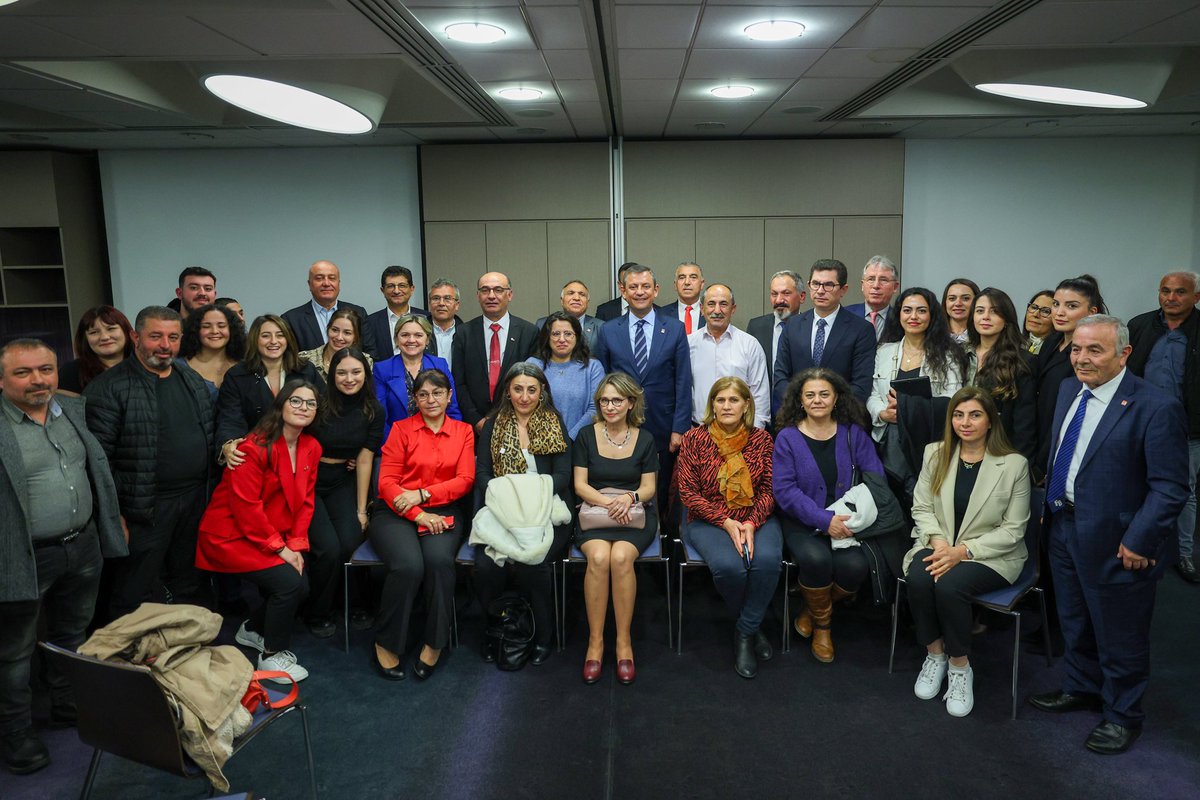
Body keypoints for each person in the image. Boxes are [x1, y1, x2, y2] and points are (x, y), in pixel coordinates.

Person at [1029, 315, 1188, 754]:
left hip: (1120, 542)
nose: (1082, 359)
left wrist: (1141, 538)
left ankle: (1122, 715)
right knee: (1075, 619)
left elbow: (1170, 487)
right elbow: (1065, 452)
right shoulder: (1067, 391)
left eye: (1094, 350)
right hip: (1064, 527)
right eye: (1077, 349)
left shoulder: (1156, 406)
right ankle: (1082, 687)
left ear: (1124, 354)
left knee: (1121, 632)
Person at [0, 339, 125, 775]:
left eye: (46, 369)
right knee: (13, 653)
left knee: (73, 634)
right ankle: (16, 733)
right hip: (21, 556)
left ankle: (66, 705)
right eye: (23, 372)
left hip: (82, 545)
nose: (38, 379)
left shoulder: (71, 410)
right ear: (2, 379)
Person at [903, 386, 1031, 717]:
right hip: (938, 544)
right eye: (958, 415)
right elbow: (921, 506)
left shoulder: (1014, 464)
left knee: (949, 585)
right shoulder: (935, 453)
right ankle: (936, 655)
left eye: (975, 415)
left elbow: (1013, 530)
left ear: (990, 421)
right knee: (917, 578)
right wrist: (939, 542)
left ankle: (960, 667)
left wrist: (963, 552)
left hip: (992, 555)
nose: (966, 422)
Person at [84, 306, 215, 617]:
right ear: (135, 337)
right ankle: (129, 660)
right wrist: (117, 516)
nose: (165, 345)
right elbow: (97, 463)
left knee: (190, 581)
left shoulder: (190, 378)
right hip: (144, 508)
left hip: (196, 500)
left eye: (172, 337)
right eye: (155, 336)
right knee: (134, 589)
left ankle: (184, 650)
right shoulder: (108, 388)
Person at [197, 380, 322, 683]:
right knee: (290, 585)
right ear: (280, 404)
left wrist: (295, 545)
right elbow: (246, 508)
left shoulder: (311, 447)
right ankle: (271, 656)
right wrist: (281, 549)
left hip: (270, 535)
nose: (303, 407)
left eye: (310, 403)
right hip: (230, 535)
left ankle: (252, 629)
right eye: (296, 400)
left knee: (301, 585)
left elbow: (305, 502)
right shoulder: (253, 447)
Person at [369, 369, 475, 681]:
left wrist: (424, 494)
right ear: (415, 399)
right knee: (408, 566)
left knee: (439, 562)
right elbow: (387, 482)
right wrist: (418, 513)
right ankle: (386, 640)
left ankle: (435, 641)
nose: (431, 400)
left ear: (449, 396)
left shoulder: (463, 431)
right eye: (424, 394)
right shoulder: (401, 429)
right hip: (394, 512)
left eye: (437, 393)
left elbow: (465, 480)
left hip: (443, 510)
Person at [773, 368, 881, 664]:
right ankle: (823, 627)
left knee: (857, 567)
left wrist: (845, 518)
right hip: (801, 519)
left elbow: (875, 477)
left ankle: (811, 610)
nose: (817, 400)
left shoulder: (853, 434)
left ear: (836, 399)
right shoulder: (787, 437)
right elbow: (784, 491)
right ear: (800, 400)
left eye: (824, 394)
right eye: (810, 395)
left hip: (848, 520)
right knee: (816, 560)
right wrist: (824, 520)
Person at [677, 377, 780, 678]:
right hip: (708, 519)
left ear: (746, 404)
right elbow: (688, 493)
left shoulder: (762, 440)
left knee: (767, 562)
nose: (726, 406)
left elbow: (771, 490)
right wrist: (726, 521)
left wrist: (750, 522)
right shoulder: (694, 439)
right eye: (719, 400)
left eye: (733, 400)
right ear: (711, 405)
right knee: (729, 567)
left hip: (756, 516)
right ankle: (752, 627)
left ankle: (744, 631)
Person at [472, 364, 572, 665]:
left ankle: (543, 636)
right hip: (503, 511)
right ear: (508, 392)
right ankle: (496, 634)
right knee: (486, 567)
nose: (525, 396)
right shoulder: (493, 425)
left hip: (545, 510)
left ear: (542, 392)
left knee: (534, 563)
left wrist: (528, 494)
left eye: (532, 389)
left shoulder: (553, 421)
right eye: (518, 389)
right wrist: (510, 499)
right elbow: (483, 474)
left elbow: (563, 475)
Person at [573, 373, 658, 685]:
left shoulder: (645, 438)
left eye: (617, 400)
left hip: (634, 517)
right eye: (604, 400)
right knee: (598, 558)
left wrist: (628, 498)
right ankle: (596, 643)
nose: (609, 406)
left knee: (621, 558)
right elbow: (580, 485)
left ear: (630, 403)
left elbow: (648, 488)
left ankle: (623, 642)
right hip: (595, 514)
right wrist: (611, 504)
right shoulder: (585, 436)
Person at [592, 264, 691, 518]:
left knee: (660, 491)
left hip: (663, 425)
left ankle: (660, 546)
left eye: (645, 286)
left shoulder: (675, 328)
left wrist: (679, 428)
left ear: (656, 290)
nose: (639, 292)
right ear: (623, 291)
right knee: (626, 487)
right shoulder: (608, 330)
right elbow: (602, 382)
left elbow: (682, 380)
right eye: (633, 287)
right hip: (619, 425)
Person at [305, 348, 384, 637]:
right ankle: (319, 610)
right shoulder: (318, 403)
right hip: (310, 481)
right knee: (327, 548)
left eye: (356, 372)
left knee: (352, 540)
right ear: (331, 374)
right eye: (341, 372)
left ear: (365, 374)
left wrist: (362, 510)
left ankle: (357, 603)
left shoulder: (374, 410)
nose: (349, 378)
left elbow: (364, 459)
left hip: (343, 480)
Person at [1128, 271, 1200, 584]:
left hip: (1187, 429)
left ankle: (1183, 554)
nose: (1171, 298)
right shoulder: (1139, 325)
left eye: (1180, 292)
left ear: (1196, 297)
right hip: (1138, 425)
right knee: (1134, 488)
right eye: (1165, 291)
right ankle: (1137, 545)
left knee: (1185, 492)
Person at [216, 314, 323, 467]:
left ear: (288, 339)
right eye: (266, 336)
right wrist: (229, 443)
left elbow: (324, 408)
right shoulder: (237, 375)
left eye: (280, 335)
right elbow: (229, 417)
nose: (274, 341)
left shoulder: (306, 370)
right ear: (255, 340)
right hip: (255, 456)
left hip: (299, 455)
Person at [773, 259, 876, 410]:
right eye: (816, 284)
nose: (820, 290)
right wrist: (803, 404)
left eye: (828, 285)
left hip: (842, 418)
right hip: (797, 416)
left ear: (843, 289)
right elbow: (780, 376)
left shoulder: (861, 329)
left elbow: (861, 384)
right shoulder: (793, 325)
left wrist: (827, 408)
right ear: (809, 286)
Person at [867, 287, 968, 442]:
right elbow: (874, 395)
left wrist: (909, 409)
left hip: (931, 437)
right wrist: (882, 413)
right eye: (907, 310)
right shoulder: (884, 351)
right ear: (899, 314)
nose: (913, 316)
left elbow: (953, 397)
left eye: (921, 311)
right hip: (889, 437)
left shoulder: (949, 353)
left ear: (932, 316)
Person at [1033, 275, 1106, 484]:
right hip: (1039, 433)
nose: (1059, 312)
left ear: (1092, 312)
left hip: (1061, 445)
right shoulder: (1051, 341)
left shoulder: (1089, 357)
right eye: (1056, 304)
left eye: (1071, 306)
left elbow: (1072, 414)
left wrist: (1045, 459)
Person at [451, 271, 539, 429]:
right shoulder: (464, 333)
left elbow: (532, 383)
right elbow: (459, 382)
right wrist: (476, 420)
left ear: (510, 294)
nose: (491, 296)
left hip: (517, 424)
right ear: (478, 295)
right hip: (474, 425)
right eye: (485, 290)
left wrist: (508, 418)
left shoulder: (528, 332)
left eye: (498, 290)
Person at [688, 284, 770, 428]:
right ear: (702, 309)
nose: (717, 310)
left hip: (741, 433)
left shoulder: (750, 344)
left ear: (733, 309)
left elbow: (760, 394)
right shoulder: (689, 344)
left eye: (724, 304)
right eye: (711, 304)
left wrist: (754, 435)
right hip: (698, 432)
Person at [967, 288, 1036, 457]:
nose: (985, 317)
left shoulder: (1022, 360)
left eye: (995, 312)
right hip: (960, 447)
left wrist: (1018, 461)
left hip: (1000, 450)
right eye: (979, 311)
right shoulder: (958, 354)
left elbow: (1025, 422)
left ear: (1006, 318)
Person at [373, 313, 461, 435]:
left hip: (438, 440)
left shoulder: (440, 365)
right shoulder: (382, 369)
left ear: (427, 339)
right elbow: (380, 419)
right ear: (396, 339)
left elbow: (452, 409)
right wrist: (395, 447)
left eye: (418, 335)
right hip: (398, 442)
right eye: (405, 335)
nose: (411, 340)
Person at [526, 311, 604, 439]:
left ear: (577, 337)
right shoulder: (533, 365)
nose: (562, 339)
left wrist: (569, 438)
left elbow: (594, 409)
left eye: (568, 334)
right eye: (556, 334)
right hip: (538, 441)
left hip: (580, 442)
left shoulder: (592, 367)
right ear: (547, 337)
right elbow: (523, 404)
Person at [281, 260, 375, 354]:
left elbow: (371, 353)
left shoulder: (358, 313)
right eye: (319, 278)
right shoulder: (290, 319)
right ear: (309, 284)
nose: (326, 283)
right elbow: (289, 360)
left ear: (338, 283)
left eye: (332, 278)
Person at [58, 305, 134, 395]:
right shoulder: (71, 372)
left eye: (111, 329)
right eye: (94, 332)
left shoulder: (144, 367)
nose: (104, 337)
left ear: (126, 331)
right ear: (85, 339)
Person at [179, 303, 245, 400]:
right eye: (206, 326)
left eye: (221, 326)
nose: (214, 331)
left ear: (232, 330)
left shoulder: (245, 366)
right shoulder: (179, 368)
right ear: (196, 330)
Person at [365, 265, 430, 361]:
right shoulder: (370, 322)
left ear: (412, 289)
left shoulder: (427, 318)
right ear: (382, 290)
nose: (396, 291)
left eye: (402, 286)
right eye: (391, 286)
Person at [297, 308, 373, 382]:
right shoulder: (304, 359)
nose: (339, 337)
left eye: (347, 333)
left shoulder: (364, 361)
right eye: (335, 330)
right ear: (327, 330)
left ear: (355, 337)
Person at [536, 279, 602, 352]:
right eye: (571, 293)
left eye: (582, 294)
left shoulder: (601, 327)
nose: (576, 298)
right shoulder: (542, 324)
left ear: (587, 302)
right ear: (562, 300)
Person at [845, 256, 900, 341]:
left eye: (883, 280)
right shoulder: (844, 315)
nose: (876, 286)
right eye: (871, 279)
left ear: (895, 287)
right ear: (862, 285)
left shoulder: (900, 320)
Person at [660, 262, 706, 334]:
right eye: (682, 278)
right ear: (675, 285)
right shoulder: (661, 314)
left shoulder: (711, 313)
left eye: (693, 277)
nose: (687, 282)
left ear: (702, 284)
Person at [427, 278, 464, 367]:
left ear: (457, 305)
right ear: (429, 303)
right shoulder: (419, 333)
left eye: (447, 298)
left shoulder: (467, 334)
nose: (441, 303)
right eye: (436, 298)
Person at [942, 278, 979, 345]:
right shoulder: (932, 335)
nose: (958, 303)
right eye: (952, 298)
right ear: (945, 303)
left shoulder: (983, 336)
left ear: (977, 302)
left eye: (965, 298)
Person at [1023, 290, 1054, 355]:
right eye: (1034, 307)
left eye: (1045, 311)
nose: (1035, 314)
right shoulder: (1013, 344)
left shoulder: (1055, 352)